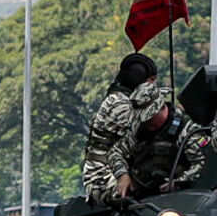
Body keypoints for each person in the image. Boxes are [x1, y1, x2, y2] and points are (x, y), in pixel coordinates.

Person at [82, 53, 167, 201]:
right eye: (151, 81)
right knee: (143, 193)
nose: (153, 86)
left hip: (118, 167)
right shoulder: (121, 104)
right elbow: (145, 132)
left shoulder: (125, 99)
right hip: (103, 174)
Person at [105, 94, 206, 203]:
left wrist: (177, 183)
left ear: (161, 109)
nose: (145, 121)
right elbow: (115, 152)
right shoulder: (138, 128)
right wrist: (122, 175)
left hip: (176, 198)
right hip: (138, 198)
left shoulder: (186, 130)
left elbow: (203, 165)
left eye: (149, 117)